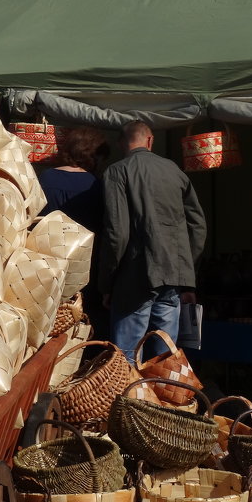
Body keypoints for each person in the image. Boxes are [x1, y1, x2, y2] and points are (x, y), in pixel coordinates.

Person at [99, 120, 207, 362]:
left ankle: (129, 399)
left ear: (121, 143)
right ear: (150, 141)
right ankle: (162, 399)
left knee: (126, 357)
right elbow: (197, 227)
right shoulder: (174, 171)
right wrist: (188, 280)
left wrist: (107, 282)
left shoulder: (117, 172)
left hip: (134, 278)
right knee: (165, 357)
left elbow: (117, 233)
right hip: (172, 276)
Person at [37, 126, 110, 330]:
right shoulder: (95, 185)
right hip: (84, 265)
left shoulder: (45, 178)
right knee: (81, 320)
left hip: (47, 258)